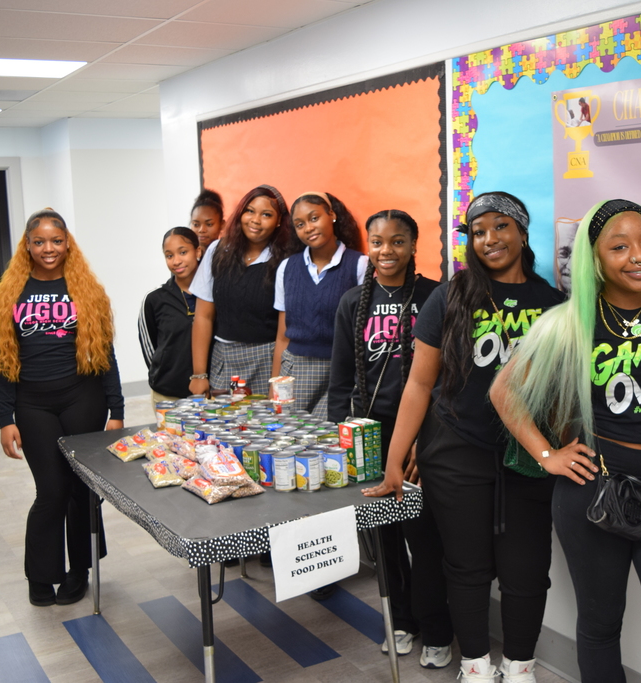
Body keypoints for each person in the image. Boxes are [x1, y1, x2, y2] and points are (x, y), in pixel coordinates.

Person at [491, 199, 641, 683]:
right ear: (595, 259)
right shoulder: (569, 322)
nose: (639, 255)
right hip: (594, 487)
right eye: (620, 246)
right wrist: (548, 456)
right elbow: (503, 391)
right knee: (599, 626)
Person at [367, 192, 565, 683]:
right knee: (466, 566)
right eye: (478, 232)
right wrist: (395, 462)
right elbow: (418, 383)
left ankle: (520, 667)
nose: (489, 240)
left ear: (522, 231)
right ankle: (475, 665)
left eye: (500, 227)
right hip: (455, 451)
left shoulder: (552, 304)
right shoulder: (453, 295)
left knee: (525, 572)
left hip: (525, 457)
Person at [0, 208, 123, 607]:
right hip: (33, 403)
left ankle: (80, 569)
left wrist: (116, 410)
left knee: (81, 488)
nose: (49, 248)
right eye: (40, 241)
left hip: (83, 396)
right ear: (27, 246)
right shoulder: (11, 292)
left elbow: (106, 356)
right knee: (51, 490)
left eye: (56, 241)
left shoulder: (85, 290)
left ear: (67, 244)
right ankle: (41, 574)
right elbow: (1, 360)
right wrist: (4, 418)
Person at [330, 210, 452, 667]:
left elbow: (447, 378)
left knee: (426, 540)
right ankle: (401, 621)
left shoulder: (435, 295)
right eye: (377, 242)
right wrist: (341, 440)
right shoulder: (350, 303)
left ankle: (438, 630)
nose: (386, 251)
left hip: (424, 438)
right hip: (370, 439)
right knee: (385, 541)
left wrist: (429, 436)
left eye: (397, 241)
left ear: (414, 244)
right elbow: (341, 380)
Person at [189, 185, 291, 398]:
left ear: (279, 221)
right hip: (223, 359)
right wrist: (199, 375)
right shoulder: (218, 251)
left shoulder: (285, 261)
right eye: (250, 211)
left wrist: (276, 383)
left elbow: (284, 333)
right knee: (222, 426)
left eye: (266, 214)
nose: (255, 220)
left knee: (263, 429)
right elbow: (203, 317)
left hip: (267, 360)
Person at [273, 191, 367, 419]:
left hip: (340, 372)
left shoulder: (360, 265)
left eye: (314, 218)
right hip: (295, 372)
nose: (308, 228)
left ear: (332, 215)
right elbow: (282, 337)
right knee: (290, 441)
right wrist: (274, 390)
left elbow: (365, 332)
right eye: (299, 224)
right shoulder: (287, 268)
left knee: (331, 444)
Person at [139, 227, 203, 407]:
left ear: (197, 251)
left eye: (183, 252)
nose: (176, 261)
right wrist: (165, 375)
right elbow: (150, 348)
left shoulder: (214, 295)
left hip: (208, 393)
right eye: (169, 255)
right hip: (167, 395)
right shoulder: (154, 299)